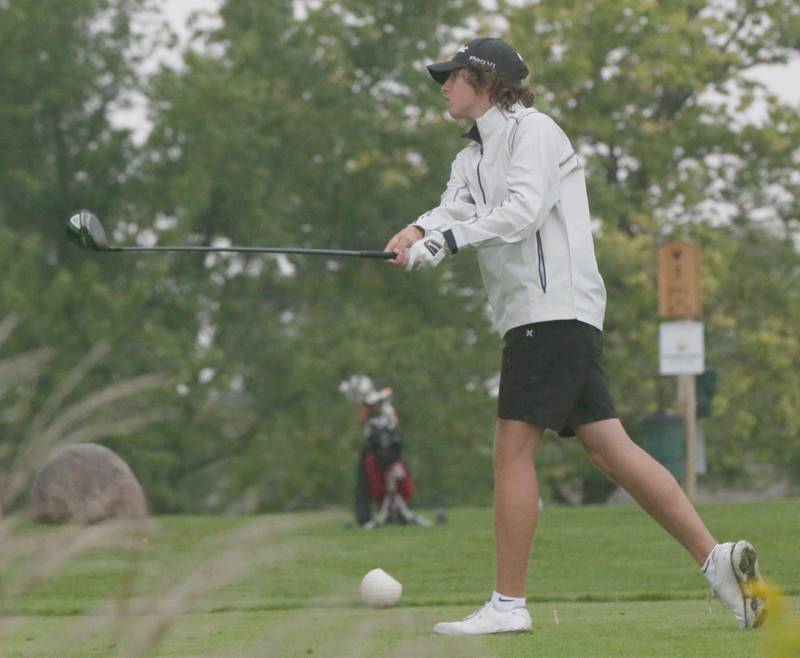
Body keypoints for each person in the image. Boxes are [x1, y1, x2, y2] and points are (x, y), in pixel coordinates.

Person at [383, 36, 766, 635]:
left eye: (453, 76)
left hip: (551, 310)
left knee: (512, 451)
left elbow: (524, 210)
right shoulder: (469, 156)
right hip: (542, 316)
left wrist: (444, 243)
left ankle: (509, 605)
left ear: (485, 82)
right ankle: (716, 561)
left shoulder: (534, 131)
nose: (444, 86)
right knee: (610, 448)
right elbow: (453, 209)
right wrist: (415, 232)